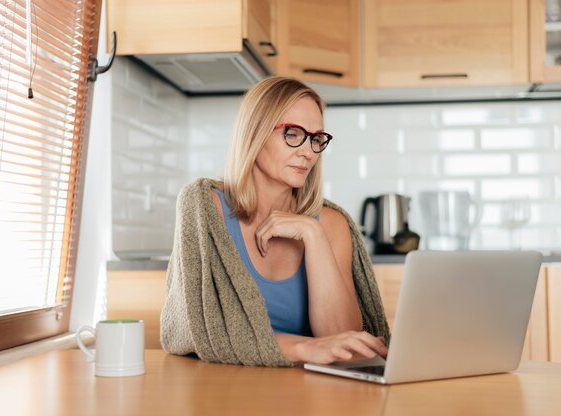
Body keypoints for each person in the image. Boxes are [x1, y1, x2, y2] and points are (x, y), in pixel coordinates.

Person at [160, 77, 390, 367]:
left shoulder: (332, 224)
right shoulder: (205, 207)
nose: (308, 152)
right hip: (222, 390)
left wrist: (312, 233)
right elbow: (198, 332)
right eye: (292, 133)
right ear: (254, 134)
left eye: (316, 138)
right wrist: (303, 348)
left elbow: (342, 341)